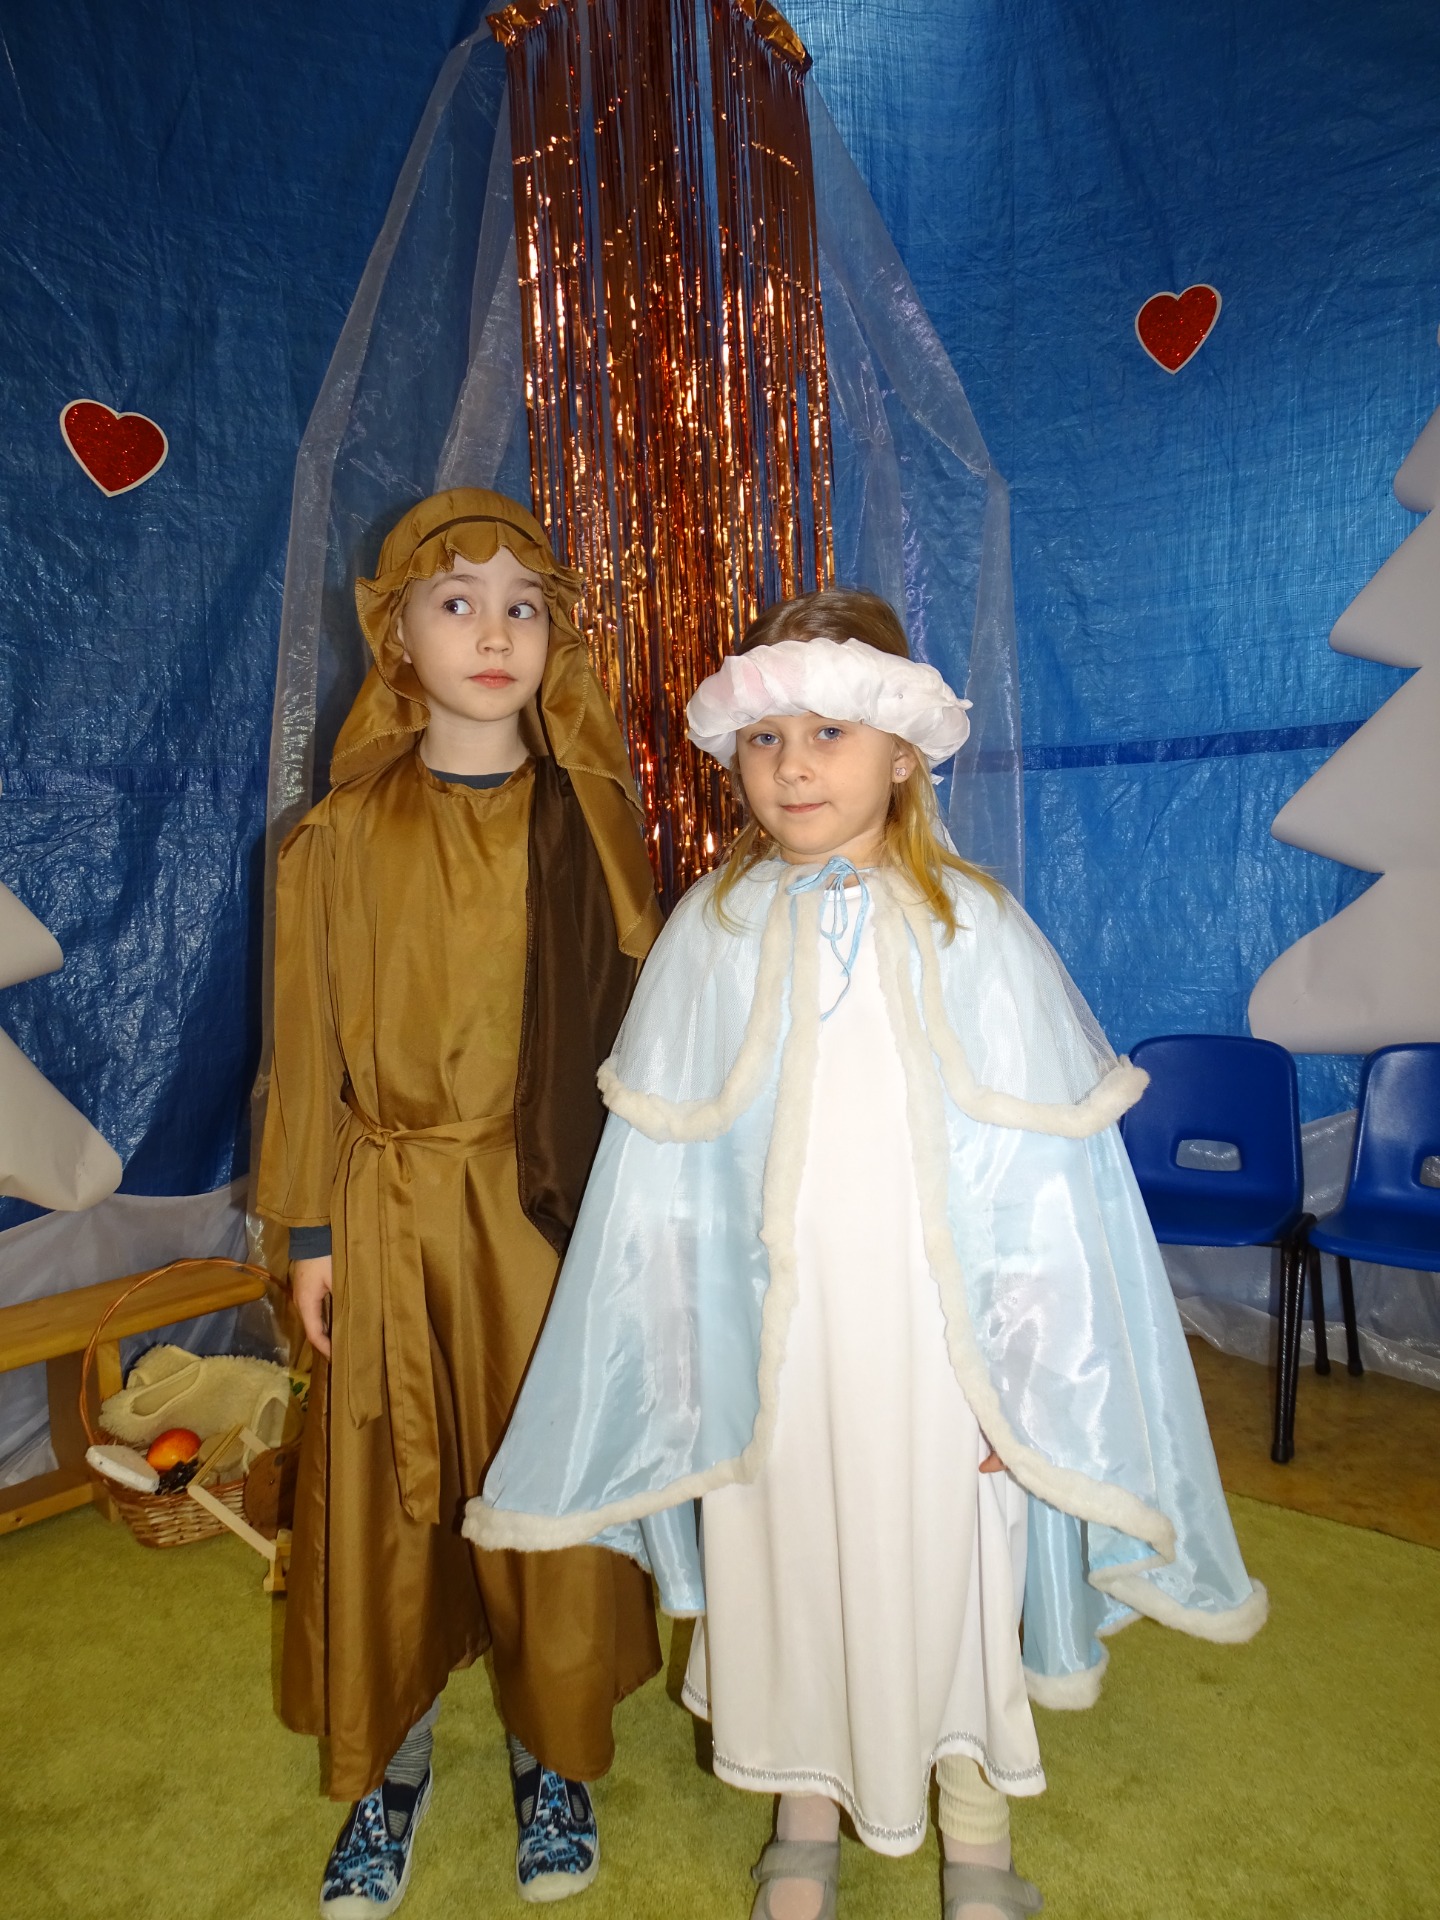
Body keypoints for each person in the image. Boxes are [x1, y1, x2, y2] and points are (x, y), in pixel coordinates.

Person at [466, 587, 1267, 1920]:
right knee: (788, 1575)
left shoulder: (975, 930)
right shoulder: (711, 931)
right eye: (766, 738)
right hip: (776, 1359)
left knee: (946, 1578)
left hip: (934, 1361)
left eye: (829, 733)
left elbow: (1045, 1190)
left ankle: (977, 1837)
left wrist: (1018, 1384)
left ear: (901, 752)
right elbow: (663, 1184)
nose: (793, 766)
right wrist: (680, 1345)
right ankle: (804, 1814)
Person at [256, 488, 664, 1915]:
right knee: (385, 1495)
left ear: (557, 639)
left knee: (547, 1482)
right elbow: (305, 1047)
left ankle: (553, 1756)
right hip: (383, 1206)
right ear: (397, 638)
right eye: (457, 602)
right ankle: (393, 1765)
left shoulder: (591, 826)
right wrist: (310, 1233)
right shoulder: (337, 837)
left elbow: (648, 1036)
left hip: (543, 1219)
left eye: (523, 606)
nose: (494, 633)